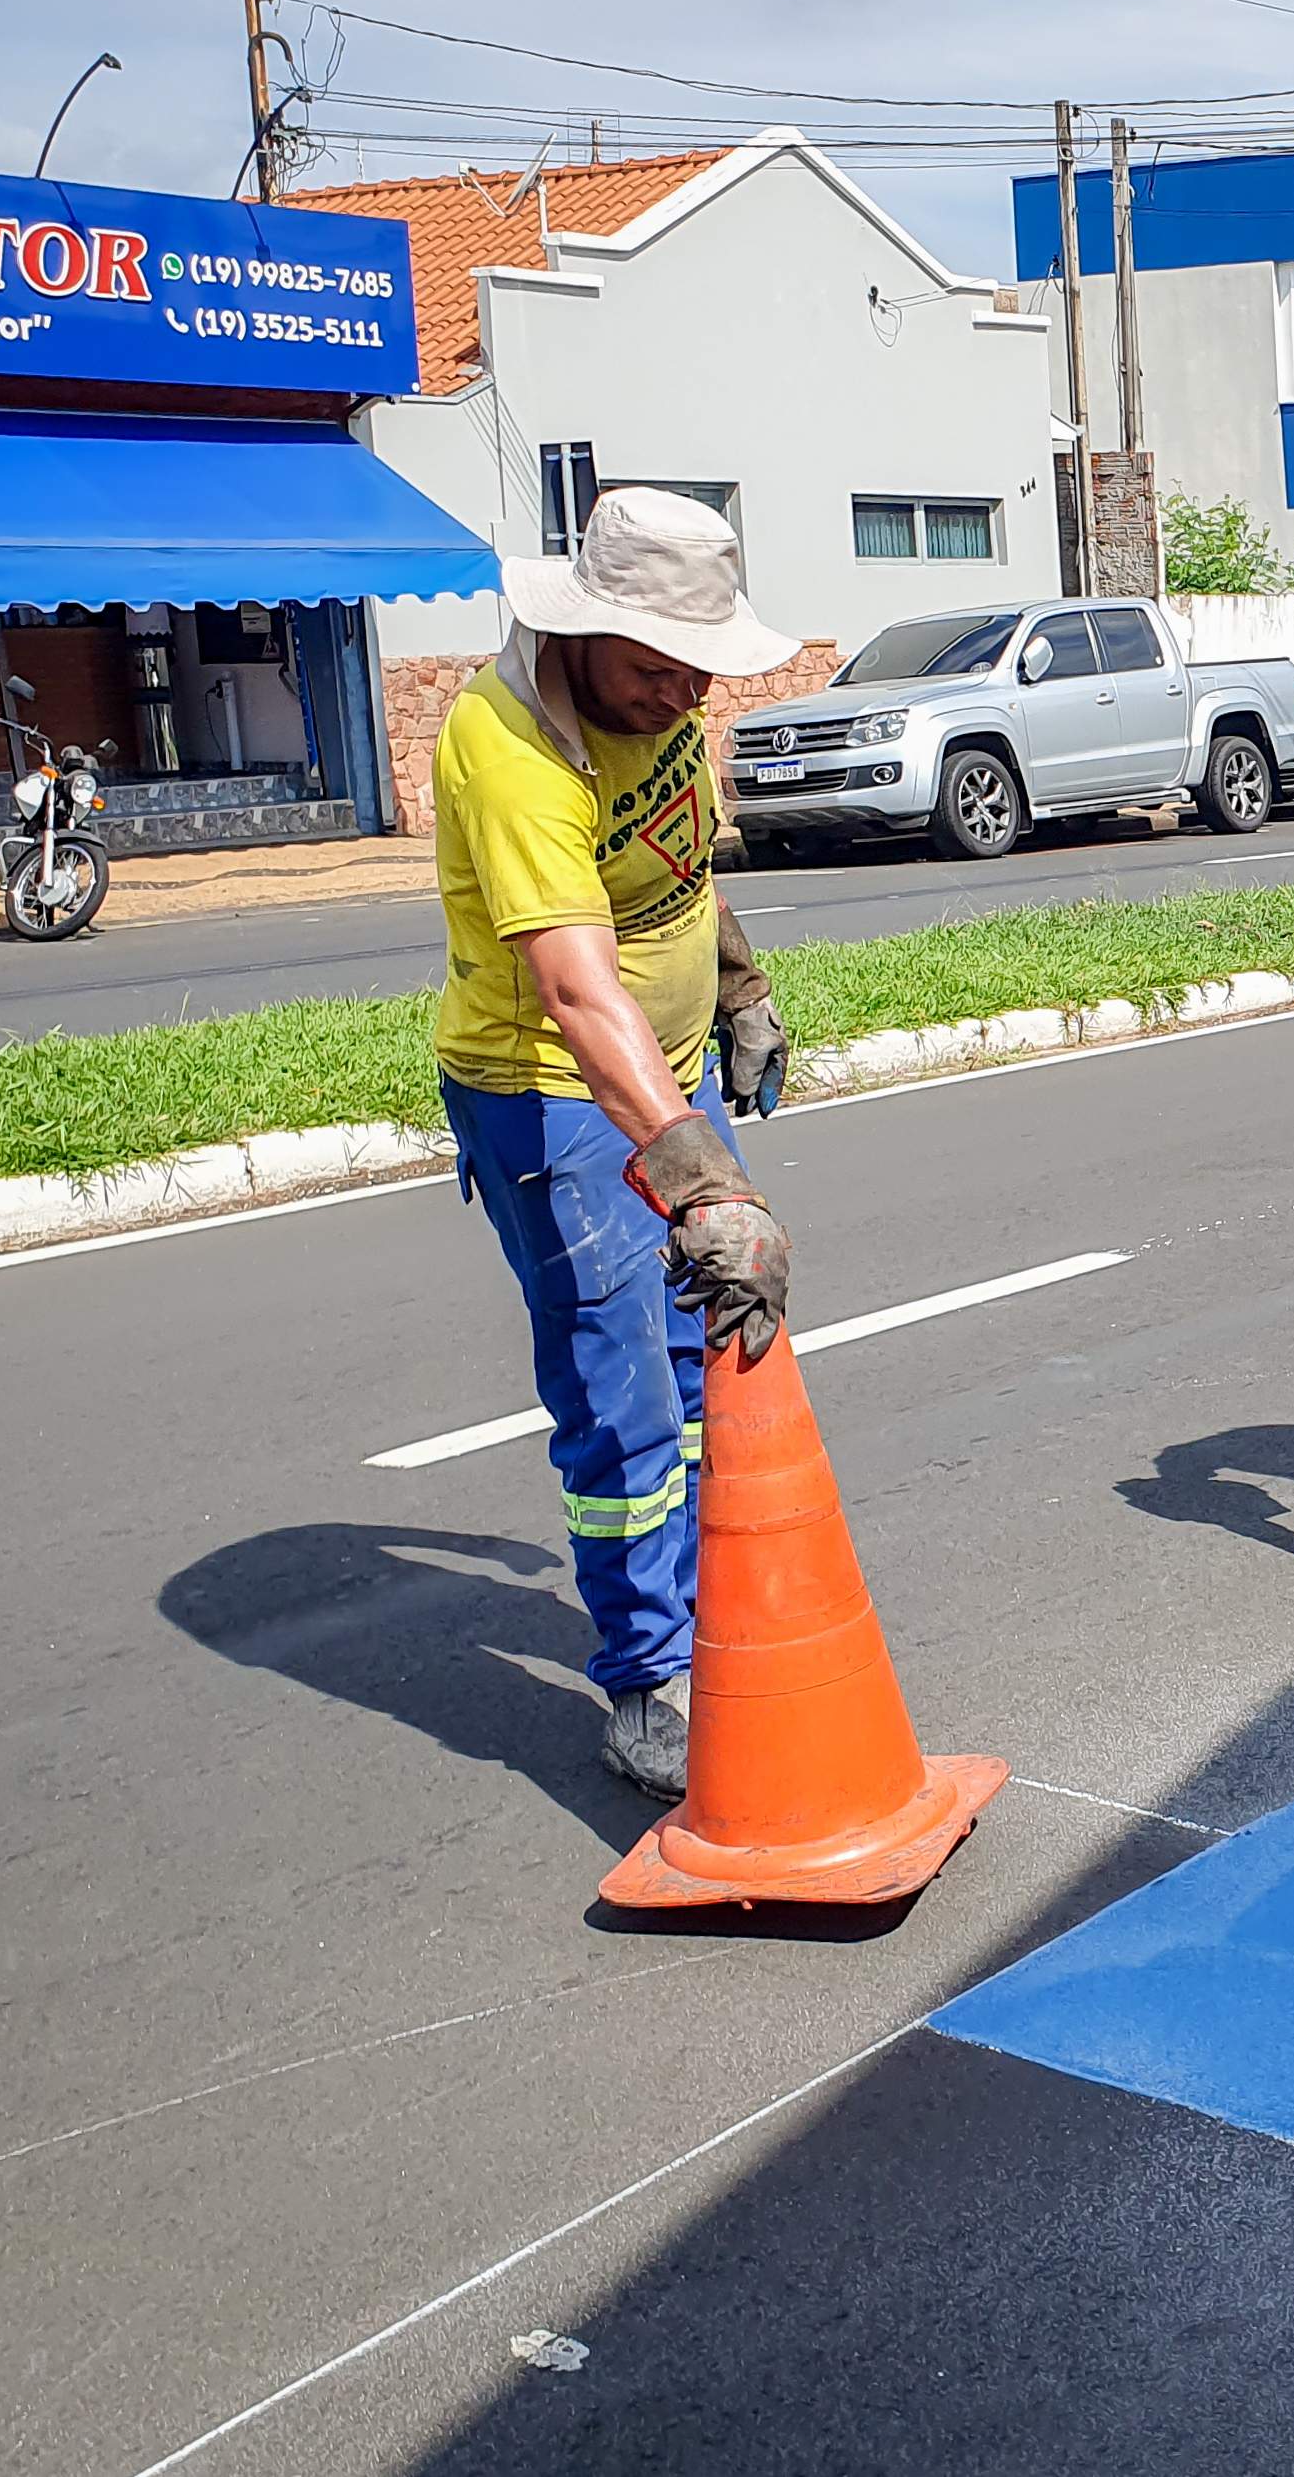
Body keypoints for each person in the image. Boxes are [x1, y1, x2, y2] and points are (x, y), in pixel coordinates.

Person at [432, 488, 802, 1799]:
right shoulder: (513, 744)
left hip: (666, 1080)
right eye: (653, 667)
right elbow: (577, 990)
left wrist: (741, 987)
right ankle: (646, 1683)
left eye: (700, 669)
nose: (679, 695)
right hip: (553, 1097)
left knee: (706, 1380)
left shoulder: (668, 706)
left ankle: (708, 1624)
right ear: (585, 634)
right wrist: (696, 1172)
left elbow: (680, 862)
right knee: (623, 1400)